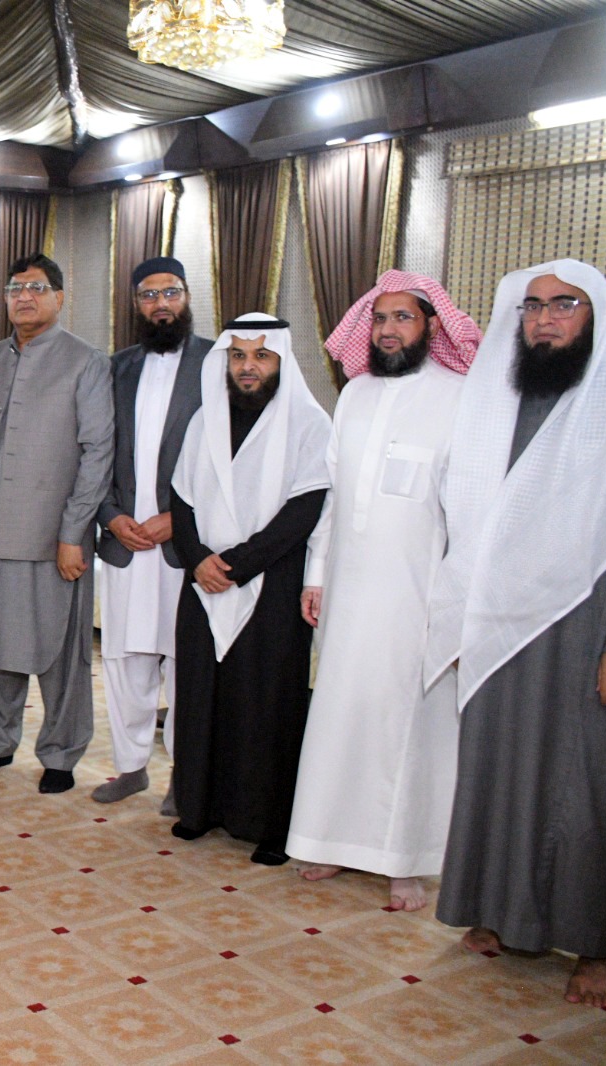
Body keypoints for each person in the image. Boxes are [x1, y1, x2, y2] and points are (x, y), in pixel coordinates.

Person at [425, 261, 606, 1008]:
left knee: (583, 783)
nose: (545, 319)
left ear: (594, 318)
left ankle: (598, 944)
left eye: (564, 305)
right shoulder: (497, 400)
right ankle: (502, 913)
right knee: (497, 765)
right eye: (532, 307)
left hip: (585, 621)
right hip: (497, 616)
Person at [287, 272, 480, 910]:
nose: (388, 330)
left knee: (409, 726)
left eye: (403, 318)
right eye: (379, 319)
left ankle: (406, 862)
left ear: (431, 327)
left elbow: (468, 511)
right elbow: (335, 497)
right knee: (342, 714)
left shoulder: (459, 397)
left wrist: (454, 601)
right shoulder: (356, 395)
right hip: (348, 591)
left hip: (418, 595)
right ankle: (332, 840)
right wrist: (317, 575)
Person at [167, 315, 329, 865]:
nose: (248, 367)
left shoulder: (309, 423)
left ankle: (268, 825)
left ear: (281, 361)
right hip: (203, 582)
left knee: (266, 705)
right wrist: (197, 561)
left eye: (261, 356)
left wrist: (235, 566)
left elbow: (304, 510)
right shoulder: (203, 420)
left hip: (271, 582)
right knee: (202, 698)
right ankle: (200, 808)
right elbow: (181, 501)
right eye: (238, 356)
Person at [0, 254, 112, 794]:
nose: (24, 297)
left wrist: (73, 533)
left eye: (37, 288)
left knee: (60, 652)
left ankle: (61, 755)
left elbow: (98, 452)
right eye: (15, 288)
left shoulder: (85, 361)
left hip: (53, 537)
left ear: (59, 298)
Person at [92, 256, 213, 811]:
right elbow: (94, 451)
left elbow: (224, 459)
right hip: (124, 542)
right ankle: (131, 768)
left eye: (170, 293)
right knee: (124, 661)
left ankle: (184, 778)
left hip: (183, 546)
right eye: (149, 295)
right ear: (136, 304)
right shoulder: (115, 368)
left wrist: (179, 519)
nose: (160, 304)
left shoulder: (216, 363)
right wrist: (110, 515)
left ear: (186, 297)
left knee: (185, 661)